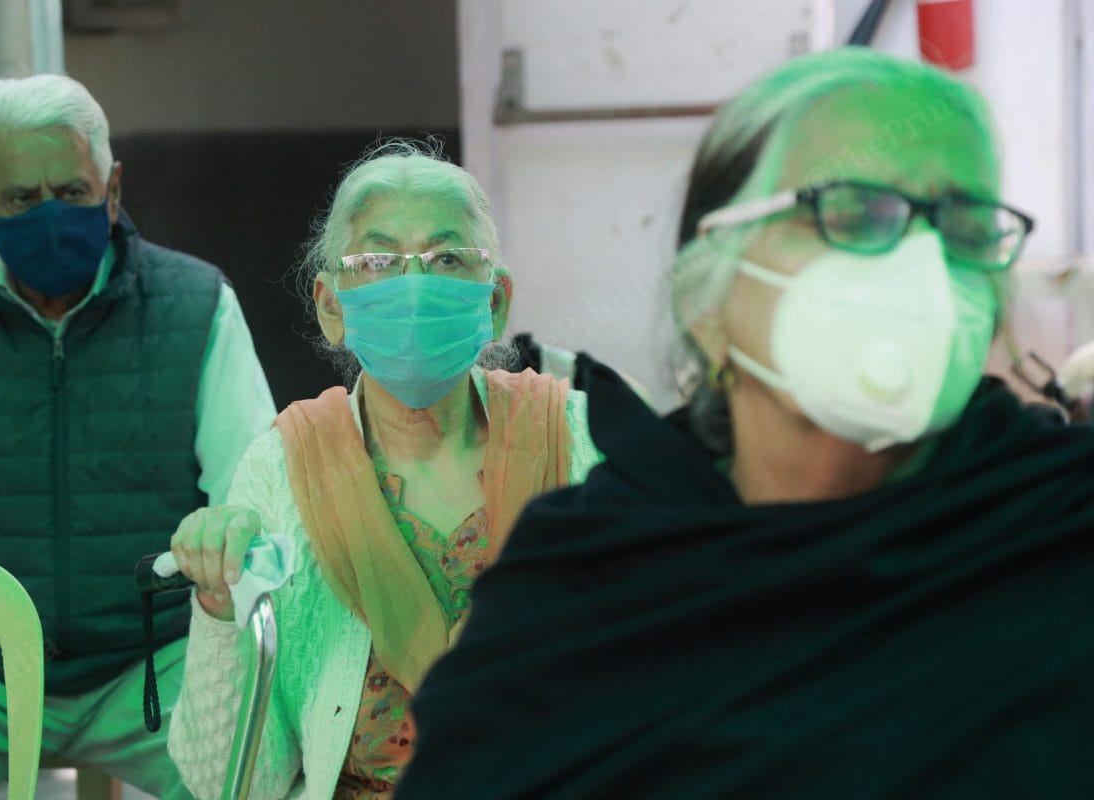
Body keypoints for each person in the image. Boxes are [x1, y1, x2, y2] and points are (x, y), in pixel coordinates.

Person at [398, 47, 1094, 799]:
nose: (922, 266)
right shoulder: (585, 593)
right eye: (853, 211)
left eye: (962, 228)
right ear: (707, 296)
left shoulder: (1059, 529)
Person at [165, 139, 601, 799]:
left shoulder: (583, 442)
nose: (414, 285)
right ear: (330, 305)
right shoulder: (281, 468)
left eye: (447, 257)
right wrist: (224, 610)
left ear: (496, 300)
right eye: (376, 260)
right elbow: (230, 781)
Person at [0, 74, 275, 799]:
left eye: (71, 192)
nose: (48, 215)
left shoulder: (197, 306)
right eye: (19, 198)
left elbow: (249, 486)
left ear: (113, 186)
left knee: (263, 780)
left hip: (154, 666)